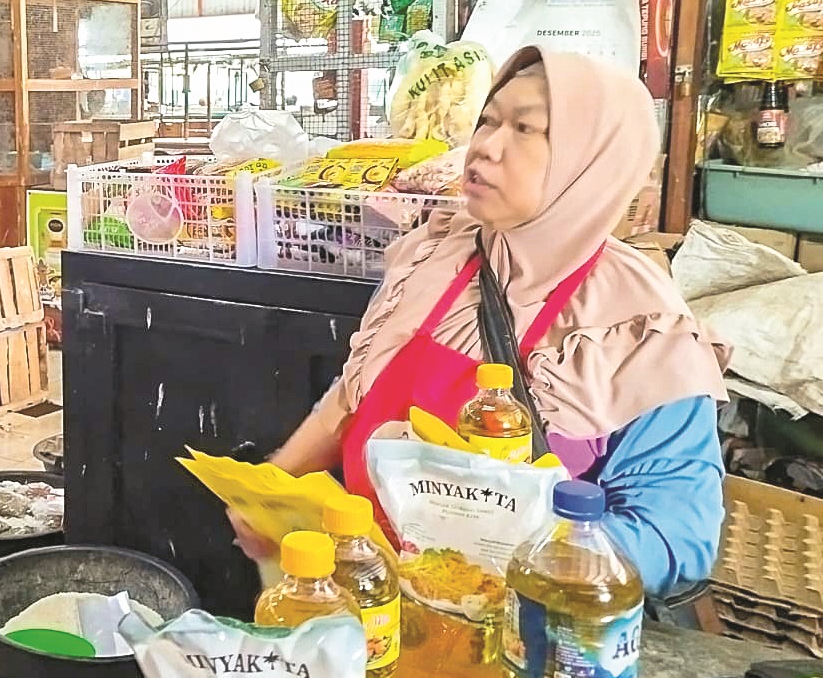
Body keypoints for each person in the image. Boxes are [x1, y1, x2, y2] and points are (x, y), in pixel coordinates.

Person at [250, 47, 729, 599]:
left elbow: (677, 536)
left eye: (526, 129)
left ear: (593, 162)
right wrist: (274, 487)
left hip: (519, 641)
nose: (485, 148)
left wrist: (501, 559)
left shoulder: (638, 326)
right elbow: (358, 389)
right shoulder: (437, 256)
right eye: (488, 120)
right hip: (368, 597)